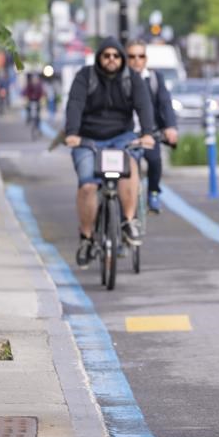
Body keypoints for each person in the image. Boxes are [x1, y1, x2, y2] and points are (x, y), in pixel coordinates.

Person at [64, 37, 156, 266]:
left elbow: (144, 106)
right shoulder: (85, 76)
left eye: (116, 56)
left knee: (130, 169)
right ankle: (86, 238)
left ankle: (127, 221)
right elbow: (74, 104)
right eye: (106, 56)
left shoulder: (132, 79)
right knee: (87, 186)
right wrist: (72, 133)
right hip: (88, 140)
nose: (111, 60)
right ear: (99, 58)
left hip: (121, 139)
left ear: (121, 58)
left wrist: (146, 133)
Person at [125, 39, 179, 213]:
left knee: (155, 161)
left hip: (149, 132)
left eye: (140, 56)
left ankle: (154, 192)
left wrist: (171, 127)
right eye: (132, 56)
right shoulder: (119, 80)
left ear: (146, 59)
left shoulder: (155, 78)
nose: (136, 60)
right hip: (126, 134)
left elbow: (165, 104)